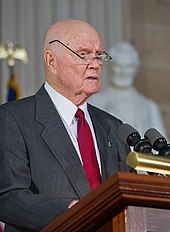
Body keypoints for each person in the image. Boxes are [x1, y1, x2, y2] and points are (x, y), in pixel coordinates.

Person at [0, 20, 133, 232]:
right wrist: (72, 211)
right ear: (51, 61)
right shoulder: (12, 119)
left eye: (99, 55)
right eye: (83, 54)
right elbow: (8, 197)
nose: (96, 64)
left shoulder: (113, 127)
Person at [90, 41, 167, 138]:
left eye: (128, 66)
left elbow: (162, 147)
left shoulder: (150, 107)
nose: (123, 72)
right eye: (118, 66)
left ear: (135, 68)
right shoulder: (94, 101)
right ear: (110, 67)